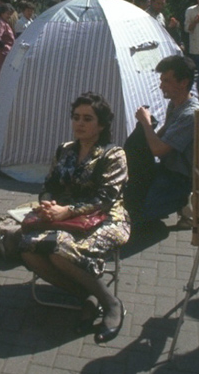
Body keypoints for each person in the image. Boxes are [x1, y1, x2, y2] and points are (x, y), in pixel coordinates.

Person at [20, 93, 130, 344]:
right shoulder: (65, 150)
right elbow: (49, 184)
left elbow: (106, 199)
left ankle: (111, 304)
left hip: (106, 218)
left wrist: (66, 211)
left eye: (88, 119)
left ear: (101, 125)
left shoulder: (114, 154)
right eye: (76, 117)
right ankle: (88, 295)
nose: (79, 123)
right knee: (28, 248)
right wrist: (48, 202)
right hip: (63, 216)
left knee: (59, 250)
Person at [126, 55, 199, 224]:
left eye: (166, 81)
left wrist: (145, 122)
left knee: (141, 216)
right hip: (167, 169)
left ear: (183, 82)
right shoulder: (175, 104)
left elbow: (158, 149)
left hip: (180, 178)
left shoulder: (190, 115)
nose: (161, 86)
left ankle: (183, 202)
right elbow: (162, 136)